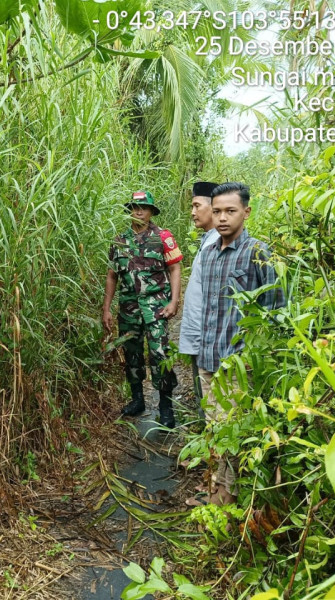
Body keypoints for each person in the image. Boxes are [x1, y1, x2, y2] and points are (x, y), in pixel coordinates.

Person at [194, 182, 283, 505]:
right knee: (214, 430)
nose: (222, 218)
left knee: (232, 432)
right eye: (217, 211)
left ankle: (227, 498)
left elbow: (275, 310)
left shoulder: (257, 253)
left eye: (230, 211)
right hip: (209, 358)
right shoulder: (209, 254)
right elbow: (208, 308)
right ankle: (216, 488)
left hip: (237, 364)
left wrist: (252, 356)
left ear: (246, 212)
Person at [102, 190, 183, 428]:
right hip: (128, 309)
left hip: (156, 307)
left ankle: (166, 406)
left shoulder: (163, 237)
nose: (139, 212)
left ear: (151, 212)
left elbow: (175, 268)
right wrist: (106, 308)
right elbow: (112, 275)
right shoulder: (119, 241)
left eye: (144, 208)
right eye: (135, 208)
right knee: (132, 353)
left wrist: (174, 301)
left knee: (160, 354)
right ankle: (137, 399)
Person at [178, 181, 220, 418]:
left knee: (210, 397)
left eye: (197, 206)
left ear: (214, 207)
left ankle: (209, 436)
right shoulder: (208, 240)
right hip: (200, 331)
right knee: (203, 393)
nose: (193, 212)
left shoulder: (217, 244)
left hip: (208, 336)